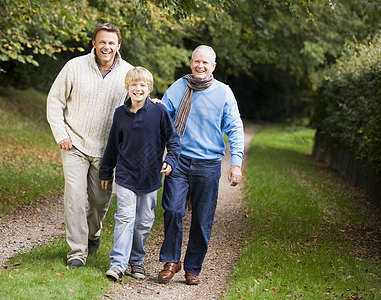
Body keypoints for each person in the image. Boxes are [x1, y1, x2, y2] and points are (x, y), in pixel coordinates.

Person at [46, 23, 133, 269]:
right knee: (74, 197)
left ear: (118, 46)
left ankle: (92, 234)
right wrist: (61, 134)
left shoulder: (127, 73)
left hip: (106, 150)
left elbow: (136, 105)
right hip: (74, 143)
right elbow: (55, 101)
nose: (107, 47)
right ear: (94, 43)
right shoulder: (74, 67)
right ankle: (77, 251)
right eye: (102, 42)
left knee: (98, 200)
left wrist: (151, 105)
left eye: (111, 43)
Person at [157, 45, 245, 285]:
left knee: (202, 218)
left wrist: (235, 163)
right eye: (197, 61)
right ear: (191, 62)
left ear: (213, 66)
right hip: (179, 160)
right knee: (173, 209)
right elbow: (163, 116)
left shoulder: (224, 92)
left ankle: (193, 266)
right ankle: (171, 261)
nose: (200, 66)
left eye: (205, 63)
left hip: (208, 164)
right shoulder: (179, 87)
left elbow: (235, 129)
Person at [99, 67, 181, 281]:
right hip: (126, 176)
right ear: (127, 88)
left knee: (144, 222)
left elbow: (173, 141)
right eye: (134, 85)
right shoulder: (120, 114)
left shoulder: (159, 111)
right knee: (125, 218)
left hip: (151, 177)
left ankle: (136, 261)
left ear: (149, 88)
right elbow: (112, 146)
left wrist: (170, 160)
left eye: (142, 85)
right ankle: (118, 264)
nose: (138, 89)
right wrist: (106, 171)